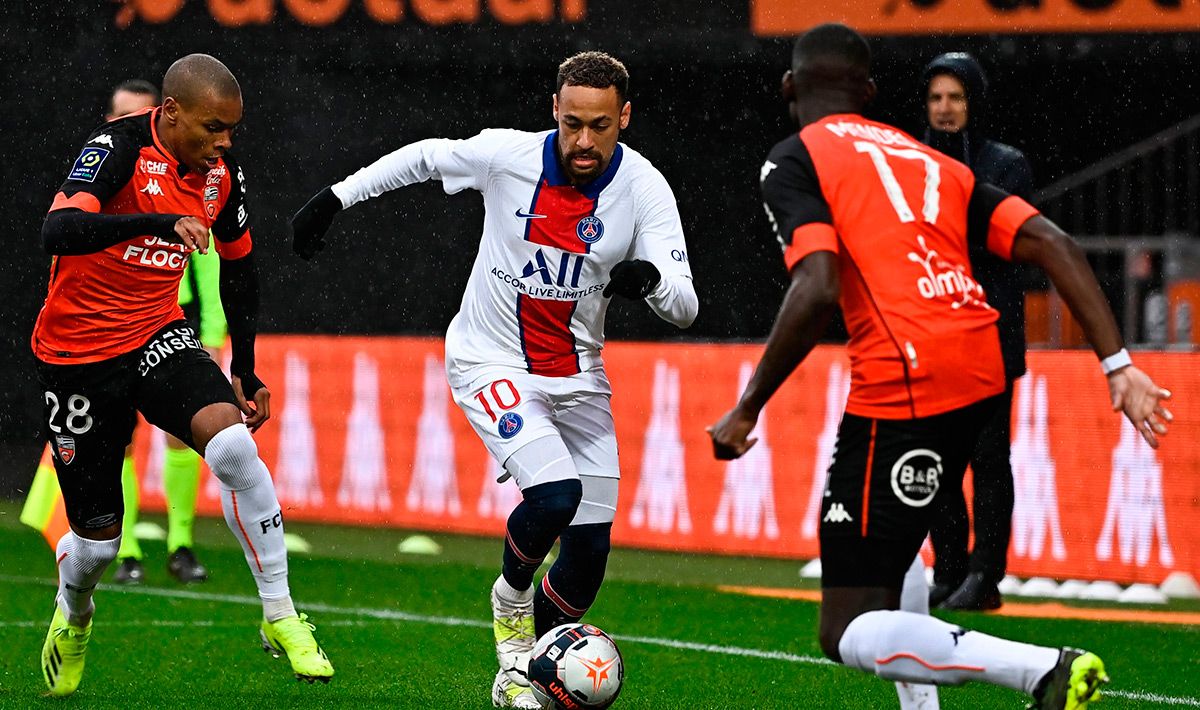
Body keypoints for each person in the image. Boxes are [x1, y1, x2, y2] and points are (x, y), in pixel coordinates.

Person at [709, 24, 1171, 710]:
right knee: (893, 558)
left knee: (845, 626)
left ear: (788, 89)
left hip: (905, 381)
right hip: (983, 368)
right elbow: (1052, 241)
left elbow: (817, 286)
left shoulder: (794, 157)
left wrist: (749, 405)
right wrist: (1118, 364)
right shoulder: (930, 160)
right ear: (869, 93)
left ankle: (1042, 669)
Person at [291, 51, 697, 708]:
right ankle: (509, 604)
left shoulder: (645, 190)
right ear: (554, 113)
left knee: (589, 552)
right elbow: (425, 155)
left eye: (599, 125)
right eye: (571, 124)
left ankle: (528, 674)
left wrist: (649, 282)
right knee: (555, 495)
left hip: (580, 377)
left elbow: (686, 304)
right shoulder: (507, 157)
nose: (584, 141)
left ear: (624, 117)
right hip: (490, 360)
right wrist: (337, 198)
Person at [33, 54, 333, 696]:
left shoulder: (220, 175)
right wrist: (156, 222)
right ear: (169, 114)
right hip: (78, 355)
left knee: (232, 445)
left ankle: (281, 614)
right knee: (96, 546)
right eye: (212, 128)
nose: (224, 143)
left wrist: (245, 369)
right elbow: (57, 229)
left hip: (154, 333)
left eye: (232, 130)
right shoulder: (115, 147)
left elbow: (241, 268)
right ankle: (75, 611)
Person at [920, 52, 1035, 611]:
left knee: (989, 459)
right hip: (934, 332)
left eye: (956, 97)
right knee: (938, 458)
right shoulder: (912, 163)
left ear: (975, 103)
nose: (945, 108)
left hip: (991, 333)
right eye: (937, 98)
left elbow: (998, 239)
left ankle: (986, 576)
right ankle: (950, 567)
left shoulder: (1007, 164)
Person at [102, 80, 222, 586]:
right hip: (109, 324)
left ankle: (180, 544)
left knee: (182, 436)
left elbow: (209, 254)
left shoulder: (180, 175)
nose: (125, 124)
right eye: (118, 115)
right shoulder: (95, 178)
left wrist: (213, 330)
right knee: (117, 441)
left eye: (135, 115)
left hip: (171, 320)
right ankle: (126, 549)